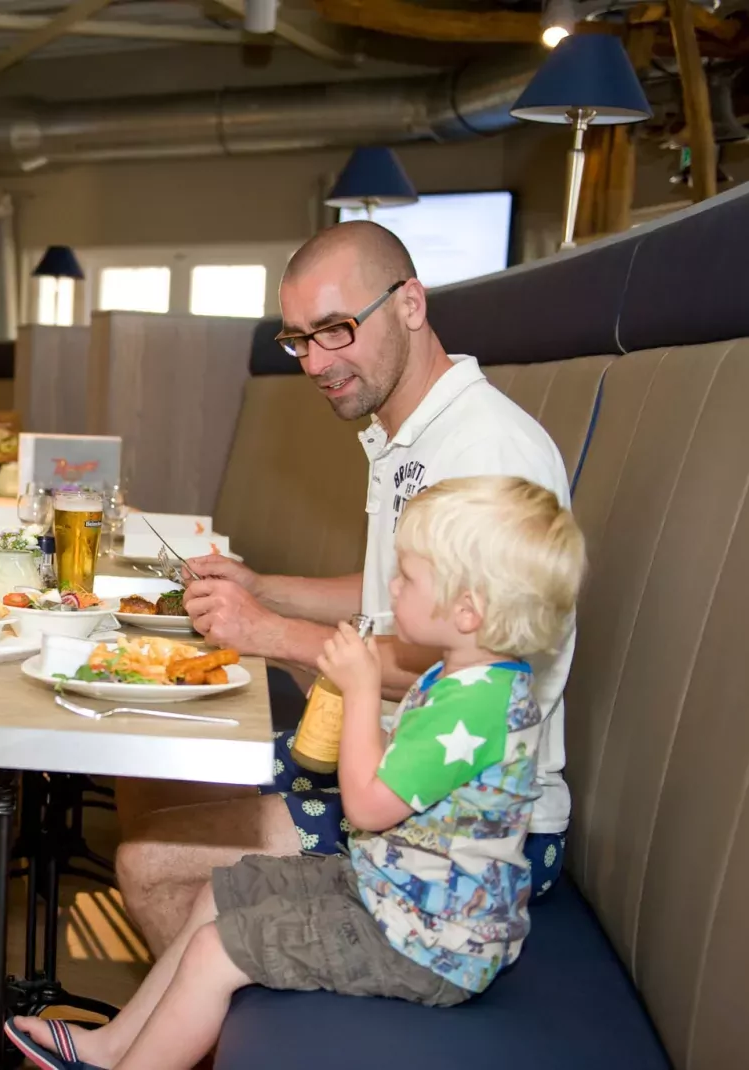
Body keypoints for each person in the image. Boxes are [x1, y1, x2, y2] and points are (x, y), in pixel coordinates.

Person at [9, 475, 587, 1070]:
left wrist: (360, 690)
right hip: (390, 889)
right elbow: (407, 771)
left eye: (410, 578)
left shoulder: (474, 705)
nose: (392, 586)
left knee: (215, 952)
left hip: (430, 943)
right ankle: (111, 1049)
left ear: (467, 609)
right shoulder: (469, 677)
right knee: (219, 893)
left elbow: (366, 807)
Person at [115, 221, 577, 954]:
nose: (316, 362)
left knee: (150, 860)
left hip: (467, 827)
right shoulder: (407, 432)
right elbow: (394, 601)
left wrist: (267, 632)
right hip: (393, 761)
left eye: (336, 329)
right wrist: (264, 588)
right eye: (299, 339)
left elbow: (470, 666)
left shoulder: (484, 451)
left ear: (411, 304)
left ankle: (209, 1012)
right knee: (147, 770)